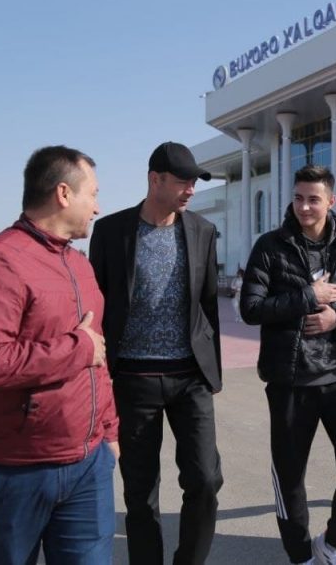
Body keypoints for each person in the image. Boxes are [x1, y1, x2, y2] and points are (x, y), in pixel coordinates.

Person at [0, 145, 118, 564]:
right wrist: (76, 348)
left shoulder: (79, 265)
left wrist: (109, 432)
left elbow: (98, 359)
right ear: (63, 193)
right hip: (15, 471)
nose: (98, 207)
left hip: (87, 466)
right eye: (93, 194)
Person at [89, 141, 223, 565]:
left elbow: (208, 306)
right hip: (133, 381)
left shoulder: (202, 231)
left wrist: (211, 372)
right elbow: (97, 305)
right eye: (183, 181)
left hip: (190, 379)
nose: (191, 190)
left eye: (194, 182)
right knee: (140, 494)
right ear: (155, 179)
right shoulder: (111, 231)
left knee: (205, 481)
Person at [240, 164, 336, 565]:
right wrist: (308, 295)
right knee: (290, 476)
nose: (304, 207)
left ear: (331, 201)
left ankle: (333, 544)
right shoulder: (270, 246)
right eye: (298, 198)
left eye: (313, 199)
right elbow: (251, 308)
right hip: (291, 380)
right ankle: (301, 555)